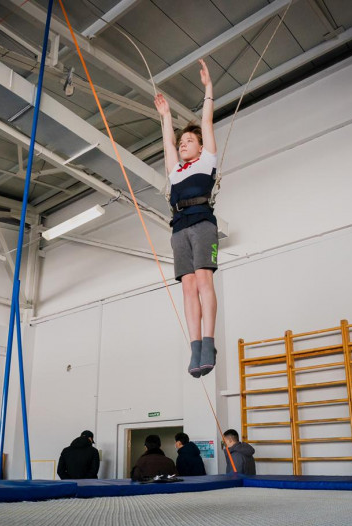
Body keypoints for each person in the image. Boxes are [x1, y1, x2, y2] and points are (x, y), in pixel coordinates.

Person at [154, 59, 219, 378]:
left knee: (204, 279)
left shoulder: (207, 161)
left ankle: (209, 343)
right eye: (182, 142)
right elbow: (168, 143)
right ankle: (195, 348)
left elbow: (206, 122)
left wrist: (208, 89)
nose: (183, 144)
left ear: (201, 147)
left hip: (202, 223)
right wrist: (166, 116)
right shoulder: (176, 171)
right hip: (179, 228)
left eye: (189, 141)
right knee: (188, 287)